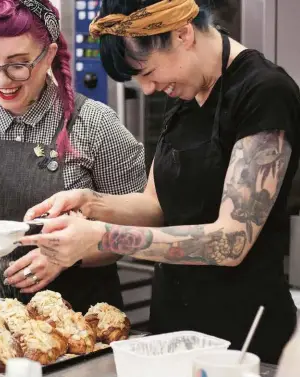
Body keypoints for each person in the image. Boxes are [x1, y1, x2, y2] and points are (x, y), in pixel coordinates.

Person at [19, 0, 300, 364]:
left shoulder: (264, 92)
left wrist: (101, 236)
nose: (148, 89)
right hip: (173, 323)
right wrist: (90, 202)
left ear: (182, 33)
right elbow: (155, 205)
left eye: (147, 71)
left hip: (243, 334)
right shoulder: (184, 88)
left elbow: (232, 242)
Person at [0, 0, 147, 313]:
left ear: (49, 55)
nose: (1, 80)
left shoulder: (94, 126)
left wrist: (70, 254)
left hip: (77, 327)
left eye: (17, 64)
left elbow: (139, 227)